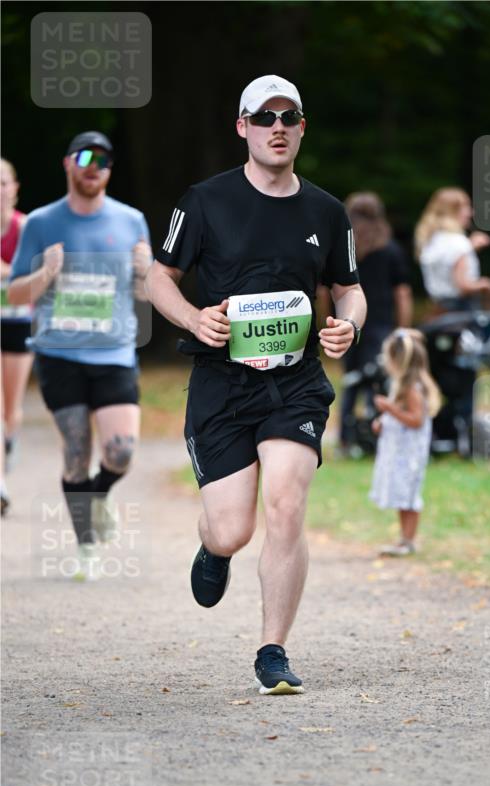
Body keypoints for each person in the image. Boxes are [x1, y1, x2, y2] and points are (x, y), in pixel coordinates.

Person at [146, 75, 366, 695]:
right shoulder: (204, 201)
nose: (277, 127)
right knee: (233, 527)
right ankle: (215, 549)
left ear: (301, 128)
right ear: (241, 126)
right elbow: (159, 278)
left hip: (294, 383)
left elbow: (350, 288)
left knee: (287, 505)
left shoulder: (326, 210)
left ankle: (274, 651)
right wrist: (194, 318)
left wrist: (347, 326)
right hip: (221, 384)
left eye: (288, 117)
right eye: (263, 117)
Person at [7, 131, 152, 578]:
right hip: (59, 353)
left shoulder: (132, 220)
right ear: (68, 164)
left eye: (104, 160)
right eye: (86, 157)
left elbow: (145, 292)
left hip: (113, 352)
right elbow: (12, 292)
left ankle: (100, 494)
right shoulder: (42, 223)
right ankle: (86, 542)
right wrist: (47, 272)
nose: (95, 166)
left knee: (121, 451)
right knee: (75, 453)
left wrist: (145, 274)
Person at [338, 191, 413, 455]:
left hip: (347, 324)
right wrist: (402, 328)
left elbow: (326, 290)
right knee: (378, 381)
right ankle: (374, 435)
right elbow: (401, 293)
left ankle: (345, 440)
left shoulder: (343, 249)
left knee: (350, 381)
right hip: (381, 324)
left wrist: (333, 321)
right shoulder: (390, 250)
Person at [369, 328, 440, 556]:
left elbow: (416, 420)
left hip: (408, 456)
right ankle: (403, 539)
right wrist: (384, 420)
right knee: (402, 497)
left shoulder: (412, 389)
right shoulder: (401, 386)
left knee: (409, 497)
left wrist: (389, 409)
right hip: (400, 453)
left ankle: (408, 540)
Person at [1, 157, 32, 514]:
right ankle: (1, 484)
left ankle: (9, 442)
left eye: (3, 182)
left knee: (11, 410)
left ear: (14, 187)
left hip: (20, 322)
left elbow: (33, 274)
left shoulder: (25, 228)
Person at [415, 187, 490, 311]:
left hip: (438, 308)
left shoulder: (431, 240)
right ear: (453, 211)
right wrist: (486, 284)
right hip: (461, 309)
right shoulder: (459, 242)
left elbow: (447, 266)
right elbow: (463, 286)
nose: (471, 213)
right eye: (466, 207)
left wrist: (470, 247)